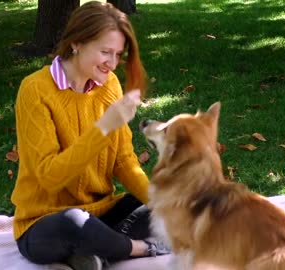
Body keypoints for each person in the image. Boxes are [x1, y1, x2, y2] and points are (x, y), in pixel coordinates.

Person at [11, 2, 168, 270]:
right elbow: (50, 177)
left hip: (101, 214)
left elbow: (123, 161)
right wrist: (103, 128)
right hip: (44, 223)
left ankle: (87, 256)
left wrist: (163, 203)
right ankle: (139, 248)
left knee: (157, 203)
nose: (112, 63)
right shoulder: (35, 91)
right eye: (105, 52)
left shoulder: (109, 87)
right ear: (76, 43)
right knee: (73, 222)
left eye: (118, 54)